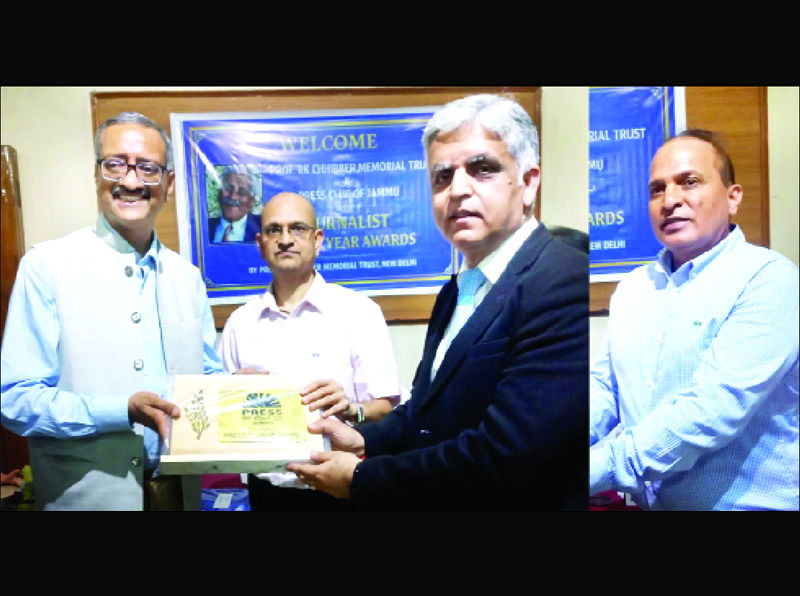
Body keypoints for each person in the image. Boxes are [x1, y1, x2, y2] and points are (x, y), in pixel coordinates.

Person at [288, 94, 589, 511]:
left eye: (482, 169)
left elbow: (506, 453)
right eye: (442, 176)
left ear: (529, 182)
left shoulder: (563, 280)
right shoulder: (457, 290)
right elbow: (426, 413)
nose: (458, 190)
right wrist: (363, 438)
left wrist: (360, 478)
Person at [0, 111, 223, 510]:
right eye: (115, 164)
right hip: (85, 498)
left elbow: (205, 378)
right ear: (97, 174)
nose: (131, 181)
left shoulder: (188, 277)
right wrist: (118, 410)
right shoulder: (46, 266)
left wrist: (242, 388)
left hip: (181, 495)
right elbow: (14, 399)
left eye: (148, 168)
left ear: (169, 184)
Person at [589, 129, 799, 510]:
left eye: (689, 182)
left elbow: (710, 410)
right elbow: (605, 389)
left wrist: (593, 467)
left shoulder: (770, 279)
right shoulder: (634, 288)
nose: (670, 201)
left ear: (733, 197)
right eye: (657, 189)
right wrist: (547, 442)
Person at [218, 191, 401, 511]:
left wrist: (351, 409)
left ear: (318, 240)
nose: (285, 239)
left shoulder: (359, 312)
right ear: (260, 244)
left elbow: (387, 408)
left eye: (298, 228)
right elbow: (221, 421)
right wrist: (232, 397)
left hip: (341, 489)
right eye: (274, 230)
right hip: (267, 493)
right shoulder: (239, 324)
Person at [208, 165, 262, 243]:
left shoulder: (262, 227)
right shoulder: (202, 228)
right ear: (219, 193)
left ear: (251, 201)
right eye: (228, 189)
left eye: (242, 192)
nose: (233, 197)